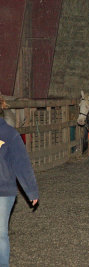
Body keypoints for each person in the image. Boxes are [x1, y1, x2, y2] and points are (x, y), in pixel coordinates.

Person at [0, 96, 39, 267]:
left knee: (0, 233)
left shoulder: (9, 134)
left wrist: (31, 190)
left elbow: (21, 163)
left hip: (3, 190)